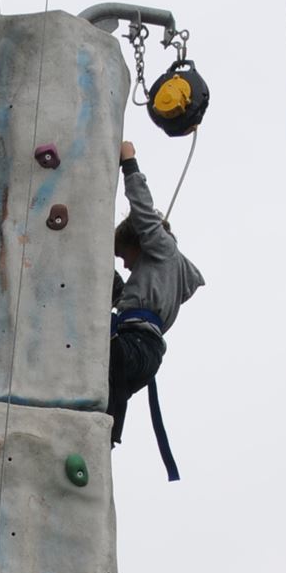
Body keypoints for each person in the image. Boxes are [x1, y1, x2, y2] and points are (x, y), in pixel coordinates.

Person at [109, 139, 203, 445]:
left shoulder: (161, 248)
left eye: (123, 255)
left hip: (134, 346)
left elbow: (143, 211)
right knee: (107, 402)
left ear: (139, 243)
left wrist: (129, 163)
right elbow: (121, 297)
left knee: (91, 348)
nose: (124, 265)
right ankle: (108, 436)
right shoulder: (155, 284)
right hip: (143, 357)